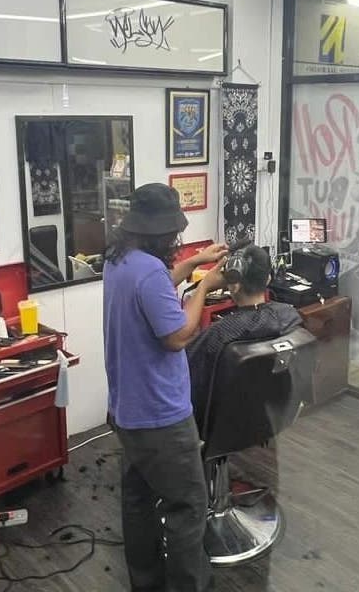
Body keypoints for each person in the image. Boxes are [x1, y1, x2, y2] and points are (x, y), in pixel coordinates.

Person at [103, 183, 228, 592]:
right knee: (188, 504)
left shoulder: (119, 261)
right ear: (162, 232)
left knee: (138, 500)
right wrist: (204, 288)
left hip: (126, 408)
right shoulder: (150, 272)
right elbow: (176, 336)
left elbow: (153, 288)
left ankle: (147, 583)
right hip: (160, 416)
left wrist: (195, 262)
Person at [187, 244, 304, 433]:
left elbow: (185, 373)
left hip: (224, 428)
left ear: (233, 285)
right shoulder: (289, 316)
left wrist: (203, 287)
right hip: (268, 418)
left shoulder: (220, 333)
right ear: (268, 279)